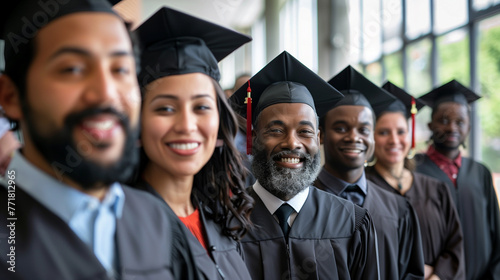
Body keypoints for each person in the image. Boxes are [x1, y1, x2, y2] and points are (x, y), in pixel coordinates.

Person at [0, 1, 197, 279]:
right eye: (72, 69)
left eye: (121, 70)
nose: (106, 93)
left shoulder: (156, 220)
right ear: (10, 96)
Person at [230, 51, 380, 280]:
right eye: (276, 130)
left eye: (305, 132)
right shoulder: (227, 219)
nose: (292, 142)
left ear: (318, 138)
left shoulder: (351, 221)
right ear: (254, 137)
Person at [132, 7, 254, 279]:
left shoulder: (221, 218)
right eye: (165, 108)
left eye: (201, 107)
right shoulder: (123, 228)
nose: (187, 125)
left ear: (220, 120)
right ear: (137, 119)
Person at [315, 66, 425, 280]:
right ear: (321, 135)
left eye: (364, 130)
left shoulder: (399, 209)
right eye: (340, 128)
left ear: (372, 137)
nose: (354, 137)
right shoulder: (300, 203)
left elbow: (412, 275)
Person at [365, 81, 465, 280]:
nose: (394, 140)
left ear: (409, 135)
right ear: (372, 137)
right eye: (384, 132)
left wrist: (436, 277)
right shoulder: (361, 189)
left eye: (401, 131)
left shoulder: (436, 189)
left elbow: (456, 247)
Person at [415, 80, 500, 280]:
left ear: (468, 127)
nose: (452, 127)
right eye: (443, 120)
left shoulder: (480, 173)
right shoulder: (414, 172)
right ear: (430, 124)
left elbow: (496, 233)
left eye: (460, 122)